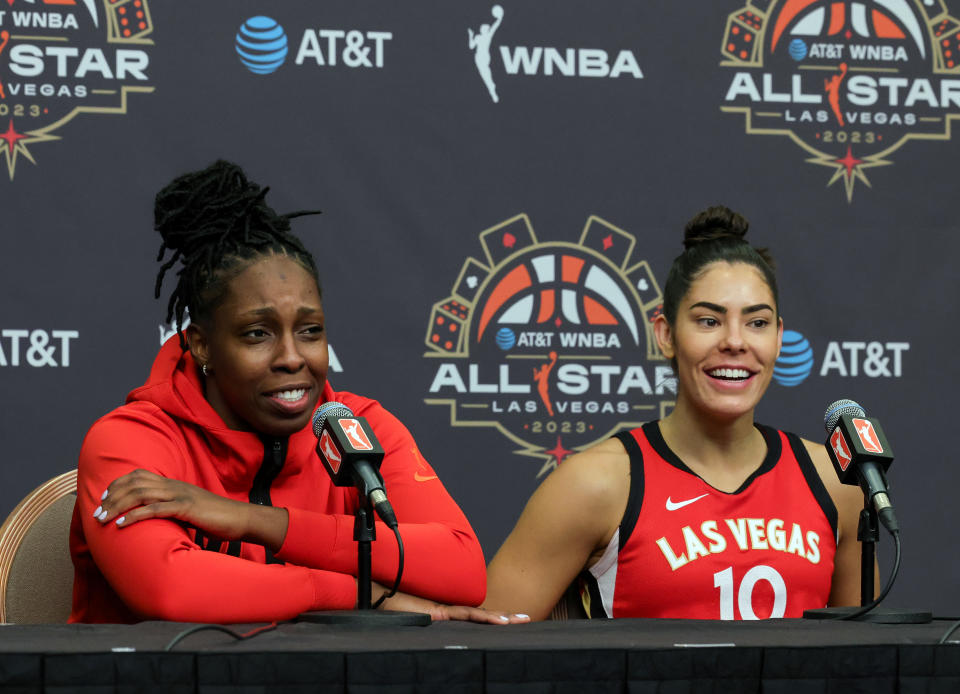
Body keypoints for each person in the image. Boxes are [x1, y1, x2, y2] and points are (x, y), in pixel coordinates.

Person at [69, 160, 520, 624]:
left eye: (309, 330)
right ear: (201, 343)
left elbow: (462, 569)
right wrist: (358, 594)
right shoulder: (129, 441)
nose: (292, 357)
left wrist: (254, 521)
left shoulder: (357, 425)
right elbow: (171, 593)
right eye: (257, 334)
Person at [483, 205, 866, 620]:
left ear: (778, 338)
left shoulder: (836, 482)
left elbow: (865, 662)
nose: (735, 341)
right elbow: (484, 654)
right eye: (708, 321)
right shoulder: (596, 484)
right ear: (666, 335)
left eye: (757, 322)